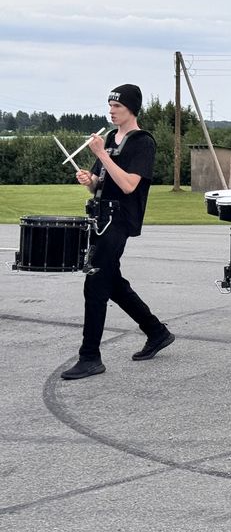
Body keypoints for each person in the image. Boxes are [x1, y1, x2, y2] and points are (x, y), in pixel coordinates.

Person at [61, 85, 174, 380]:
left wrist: (102, 154)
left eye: (117, 106)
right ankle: (156, 331)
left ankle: (90, 357)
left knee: (96, 284)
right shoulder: (110, 138)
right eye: (110, 106)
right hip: (99, 217)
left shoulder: (142, 142)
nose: (111, 111)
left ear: (131, 109)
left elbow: (128, 185)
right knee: (112, 282)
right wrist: (89, 180)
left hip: (120, 219)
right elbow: (100, 183)